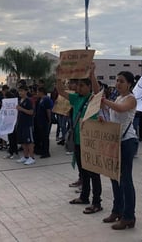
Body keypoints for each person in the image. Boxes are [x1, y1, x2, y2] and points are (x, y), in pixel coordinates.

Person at [55, 64, 102, 213]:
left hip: (90, 142)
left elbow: (97, 91)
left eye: (82, 85)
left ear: (88, 87)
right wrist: (58, 76)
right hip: (77, 141)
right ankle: (84, 196)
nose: (78, 88)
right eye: (78, 85)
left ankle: (97, 202)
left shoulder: (93, 98)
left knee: (94, 174)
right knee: (84, 173)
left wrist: (92, 73)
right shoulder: (76, 98)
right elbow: (61, 91)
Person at [101, 71, 138, 230]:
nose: (118, 84)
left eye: (121, 81)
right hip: (115, 141)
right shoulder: (117, 98)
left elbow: (122, 109)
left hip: (127, 141)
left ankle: (129, 216)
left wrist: (105, 101)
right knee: (114, 178)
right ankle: (118, 210)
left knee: (125, 180)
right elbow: (114, 118)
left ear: (129, 83)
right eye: (117, 81)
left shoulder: (131, 99)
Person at [16, 85, 36, 165]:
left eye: (22, 91)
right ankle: (25, 156)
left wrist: (22, 109)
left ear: (26, 91)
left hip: (27, 124)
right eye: (19, 91)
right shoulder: (19, 100)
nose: (20, 92)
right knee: (23, 141)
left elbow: (31, 112)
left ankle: (32, 157)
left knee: (29, 141)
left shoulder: (28, 101)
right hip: (21, 124)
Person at [34, 86, 53, 158]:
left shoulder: (46, 99)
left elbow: (48, 110)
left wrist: (49, 119)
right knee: (40, 136)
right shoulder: (40, 99)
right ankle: (41, 150)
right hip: (39, 121)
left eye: (38, 92)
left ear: (41, 92)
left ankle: (46, 152)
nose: (37, 93)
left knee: (45, 137)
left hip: (44, 121)